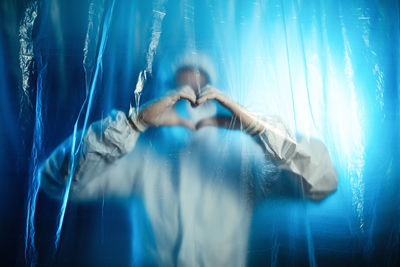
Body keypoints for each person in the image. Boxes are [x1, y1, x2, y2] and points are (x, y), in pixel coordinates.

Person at [39, 55, 337, 266]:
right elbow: (56, 181)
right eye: (179, 93)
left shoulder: (244, 163)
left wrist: (260, 128)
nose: (191, 103)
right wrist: (132, 124)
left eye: (201, 93)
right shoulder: (144, 160)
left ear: (218, 96)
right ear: (164, 96)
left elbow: (321, 183)